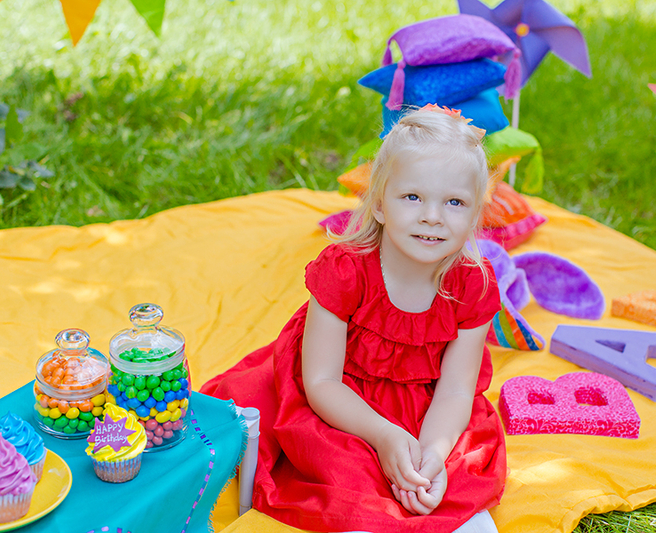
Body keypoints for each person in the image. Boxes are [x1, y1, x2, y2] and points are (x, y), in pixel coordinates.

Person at [201, 105, 506, 533]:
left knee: (453, 482)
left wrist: (432, 455)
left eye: (454, 202)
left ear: (475, 215)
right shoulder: (345, 270)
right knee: (351, 484)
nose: (432, 216)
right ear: (379, 205)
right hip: (340, 400)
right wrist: (384, 436)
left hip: (431, 407)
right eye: (413, 197)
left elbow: (456, 390)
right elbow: (321, 382)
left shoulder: (472, 284)